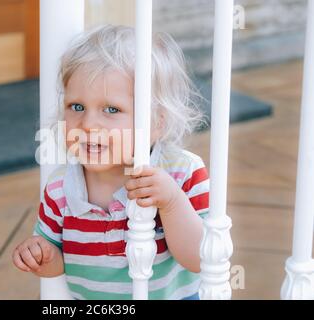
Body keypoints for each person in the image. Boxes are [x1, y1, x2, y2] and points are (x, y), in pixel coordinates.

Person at [13, 24, 209, 300]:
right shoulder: (60, 187)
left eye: (111, 109)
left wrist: (172, 202)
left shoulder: (182, 171)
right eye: (77, 107)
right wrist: (41, 256)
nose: (89, 124)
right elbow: (56, 259)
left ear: (157, 123)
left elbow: (200, 259)